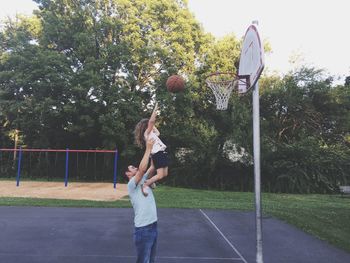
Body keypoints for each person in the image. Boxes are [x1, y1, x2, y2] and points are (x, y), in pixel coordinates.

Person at [125, 138, 158, 263]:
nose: (136, 168)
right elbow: (143, 169)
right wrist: (148, 148)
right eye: (133, 168)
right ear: (128, 174)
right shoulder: (131, 185)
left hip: (153, 225)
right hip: (143, 229)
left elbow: (153, 167)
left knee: (151, 260)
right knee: (144, 261)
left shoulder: (144, 178)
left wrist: (155, 150)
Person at [134, 102, 168, 196]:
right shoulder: (147, 134)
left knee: (165, 174)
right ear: (146, 126)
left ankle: (148, 181)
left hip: (162, 152)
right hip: (157, 153)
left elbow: (158, 132)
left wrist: (152, 126)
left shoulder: (153, 134)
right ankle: (146, 184)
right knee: (160, 175)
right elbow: (151, 122)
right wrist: (155, 109)